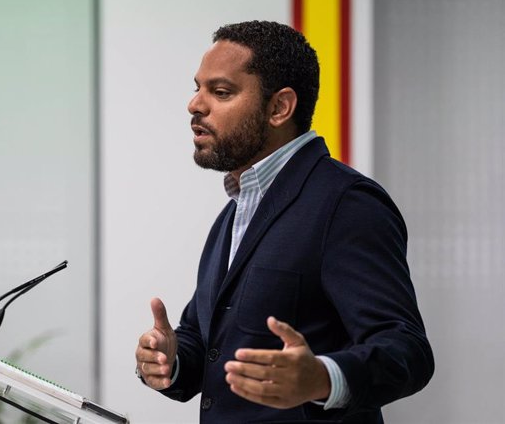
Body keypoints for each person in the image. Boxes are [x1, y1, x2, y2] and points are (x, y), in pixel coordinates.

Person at [134, 21, 434, 423]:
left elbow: (407, 350)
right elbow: (206, 342)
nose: (196, 105)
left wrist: (323, 378)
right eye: (197, 88)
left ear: (279, 108)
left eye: (220, 92)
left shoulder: (346, 203)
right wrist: (169, 361)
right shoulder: (235, 211)